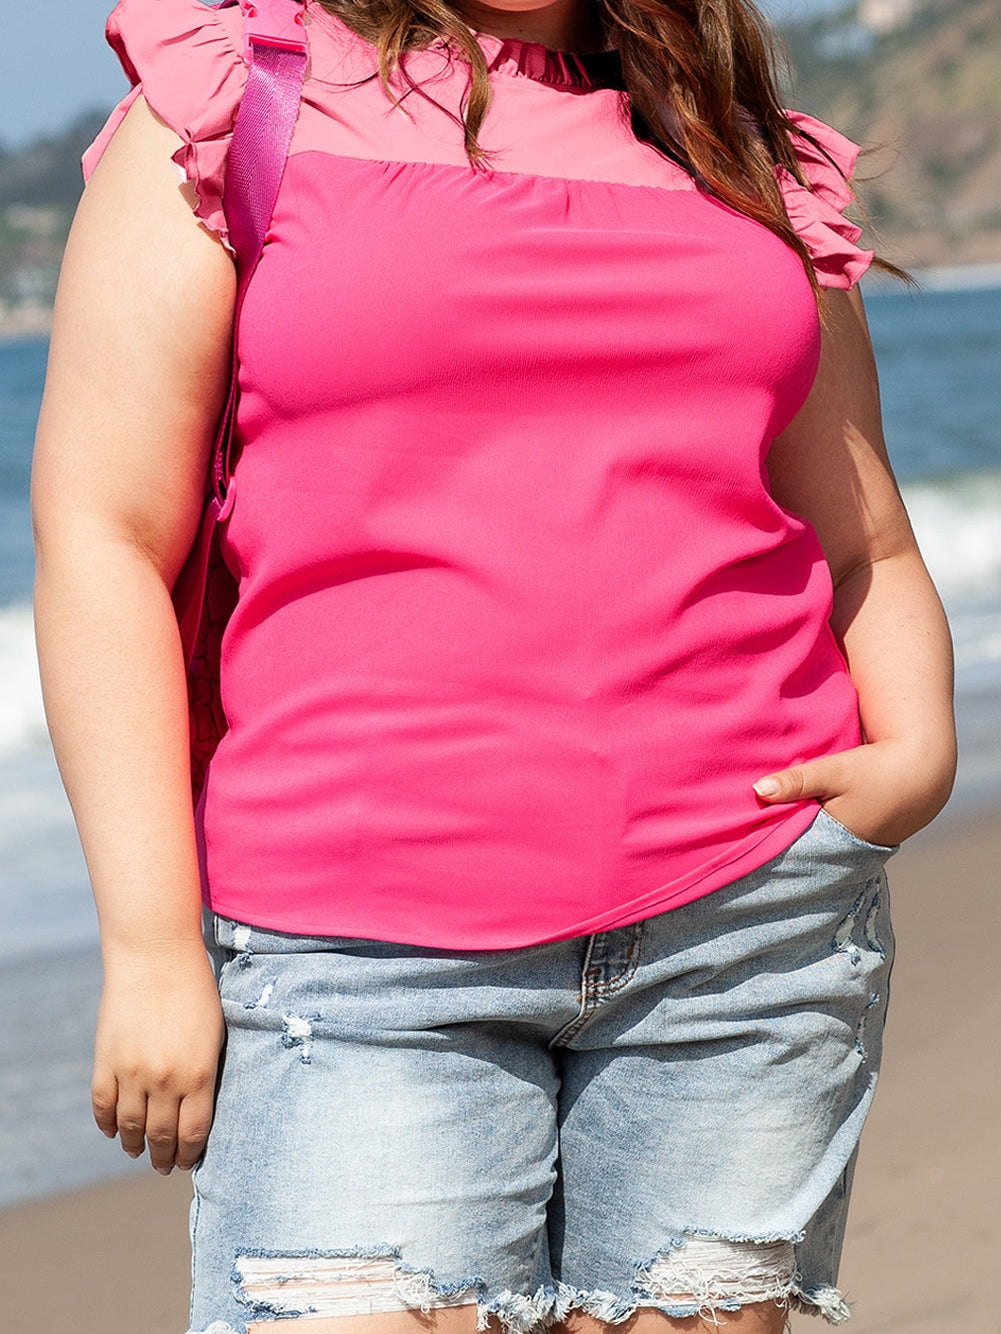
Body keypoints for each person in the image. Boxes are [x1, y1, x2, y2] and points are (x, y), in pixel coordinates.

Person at [31, 0, 956, 1330]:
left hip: (746, 928)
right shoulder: (239, 96)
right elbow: (106, 532)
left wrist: (914, 750)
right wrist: (149, 941)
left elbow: (860, 539)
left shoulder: (735, 150)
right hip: (352, 953)